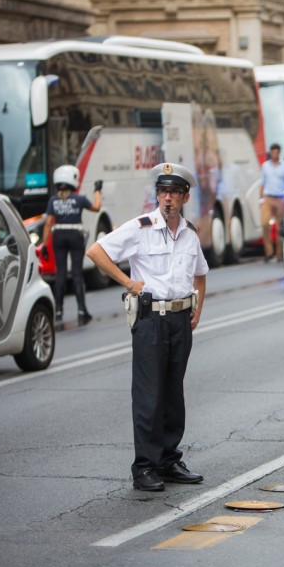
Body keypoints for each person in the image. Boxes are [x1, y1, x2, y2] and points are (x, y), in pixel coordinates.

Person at [85, 162, 208, 492]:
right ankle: (145, 467)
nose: (167, 199)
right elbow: (96, 251)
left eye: (174, 193)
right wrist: (128, 281)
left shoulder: (190, 233)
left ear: (184, 197)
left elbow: (200, 273)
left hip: (181, 319)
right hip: (151, 319)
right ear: (157, 195)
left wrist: (197, 307)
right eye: (163, 192)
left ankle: (169, 460)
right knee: (149, 395)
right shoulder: (140, 228)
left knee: (173, 393)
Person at [40, 165, 102, 323]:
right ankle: (81, 310)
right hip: (75, 236)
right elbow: (96, 207)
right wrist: (97, 191)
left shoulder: (53, 201)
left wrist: (44, 244)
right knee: (76, 273)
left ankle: (59, 310)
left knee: (60, 273)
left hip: (58, 236)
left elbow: (48, 223)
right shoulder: (79, 199)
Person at [260, 143, 284, 262]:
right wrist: (261, 198)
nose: (275, 154)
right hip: (268, 197)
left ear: (279, 153)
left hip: (281, 198)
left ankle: (279, 252)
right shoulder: (265, 166)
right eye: (273, 152)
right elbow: (262, 183)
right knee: (265, 223)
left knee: (280, 226)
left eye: (276, 152)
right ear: (270, 153)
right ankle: (268, 251)